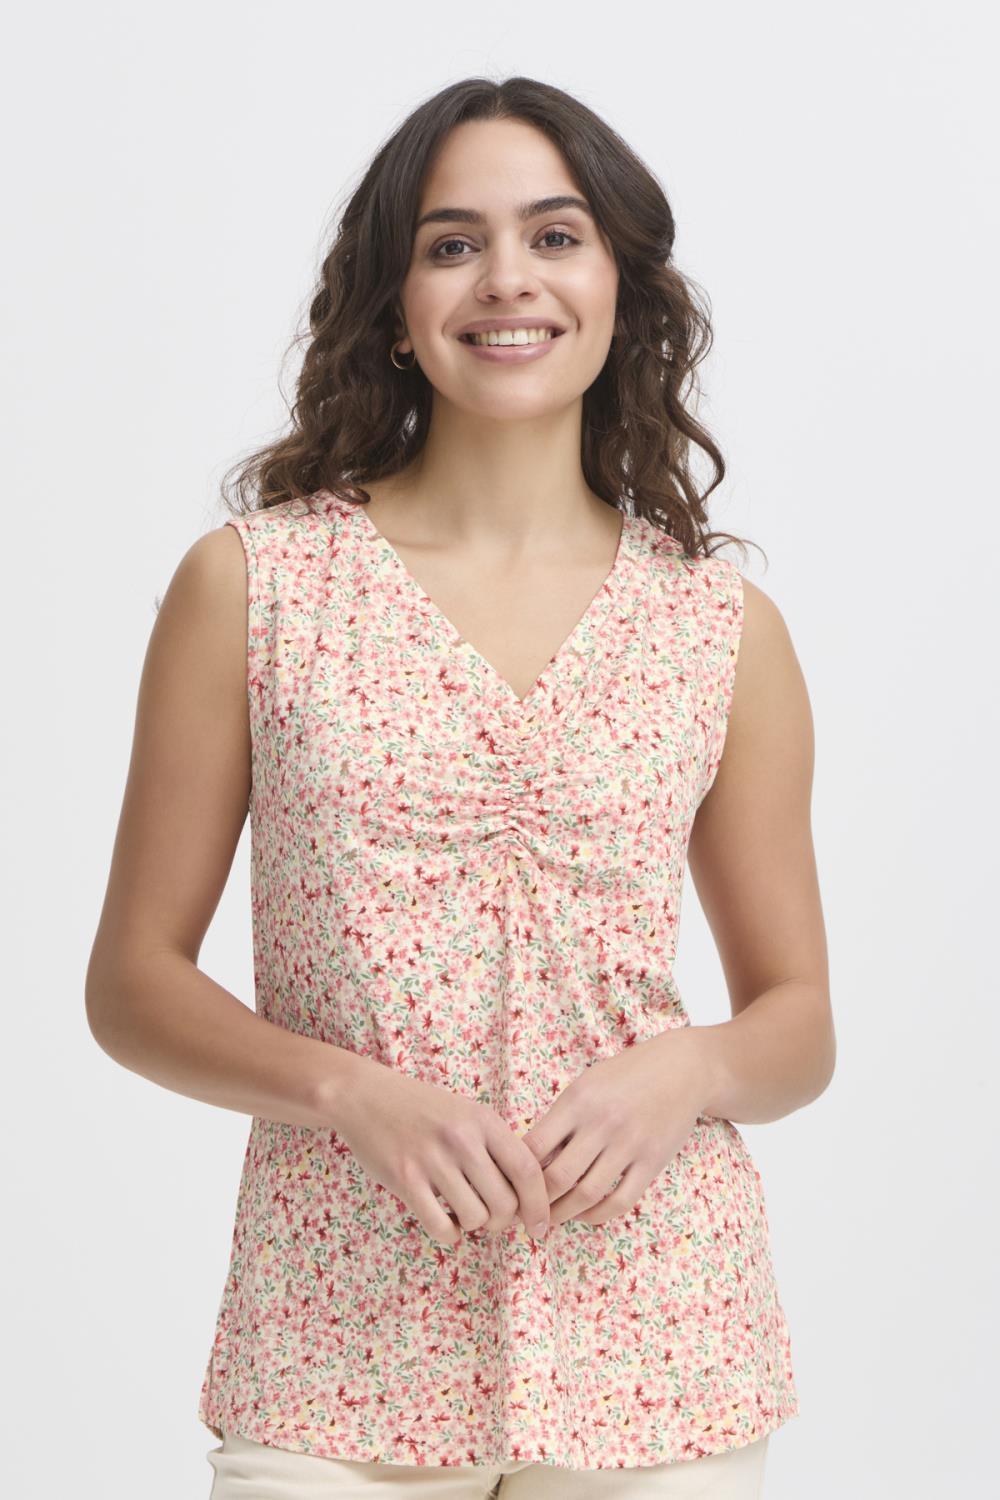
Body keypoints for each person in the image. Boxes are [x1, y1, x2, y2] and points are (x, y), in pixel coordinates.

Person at [85, 76, 835, 1499]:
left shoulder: (719, 627)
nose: (507, 280)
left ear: (621, 289)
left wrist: (690, 1069)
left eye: (555, 236)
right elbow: (131, 984)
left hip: (660, 1344)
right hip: (337, 1341)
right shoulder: (256, 588)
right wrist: (345, 1090)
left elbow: (799, 1022)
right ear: (393, 302)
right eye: (451, 244)